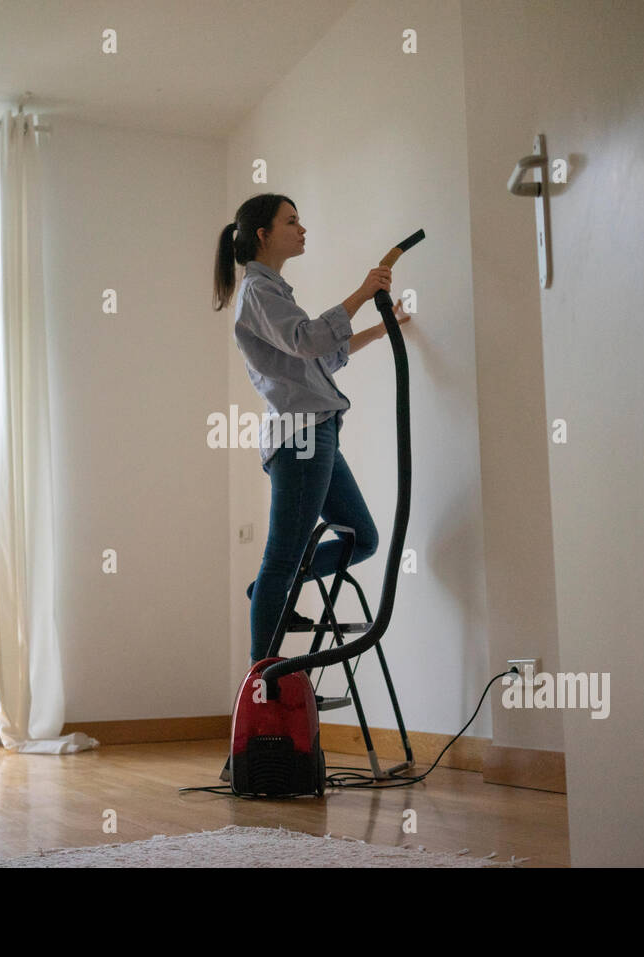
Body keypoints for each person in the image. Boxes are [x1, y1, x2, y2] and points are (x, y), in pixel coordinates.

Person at [212, 194, 412, 779]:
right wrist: (358, 289)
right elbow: (306, 341)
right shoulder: (258, 292)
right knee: (284, 557)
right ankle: (265, 683)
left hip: (320, 431)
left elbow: (321, 358)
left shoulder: (275, 291)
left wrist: (382, 326)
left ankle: (271, 593)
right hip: (302, 437)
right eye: (291, 221)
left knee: (365, 538)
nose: (302, 229)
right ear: (260, 233)